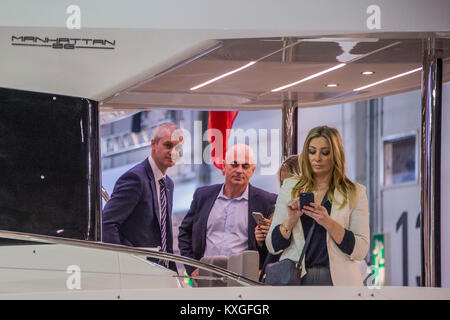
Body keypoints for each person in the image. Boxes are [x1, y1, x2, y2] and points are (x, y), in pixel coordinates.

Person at [266, 126, 370, 286]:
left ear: (336, 155)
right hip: (297, 279)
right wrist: (291, 220)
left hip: (339, 281)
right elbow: (273, 245)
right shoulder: (290, 187)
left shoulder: (354, 192)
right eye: (312, 151)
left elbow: (361, 250)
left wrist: (328, 222)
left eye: (325, 152)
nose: (317, 158)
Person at [178, 144, 277, 277]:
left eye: (245, 166)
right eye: (234, 165)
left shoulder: (267, 202)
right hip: (205, 276)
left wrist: (262, 271)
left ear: (252, 171)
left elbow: (275, 245)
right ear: (224, 166)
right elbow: (185, 233)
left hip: (244, 279)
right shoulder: (203, 196)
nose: (239, 170)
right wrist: (192, 268)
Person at [102, 122, 183, 272]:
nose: (173, 152)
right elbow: (107, 223)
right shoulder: (136, 178)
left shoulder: (168, 184)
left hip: (162, 273)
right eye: (168, 145)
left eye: (177, 148)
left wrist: (174, 274)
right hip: (136, 271)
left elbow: (164, 236)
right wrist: (125, 262)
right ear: (154, 144)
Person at [256, 154, 301, 281]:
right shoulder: (276, 209)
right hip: (275, 273)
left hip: (290, 274)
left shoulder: (307, 209)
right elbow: (271, 252)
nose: (284, 187)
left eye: (288, 182)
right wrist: (261, 240)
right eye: (282, 182)